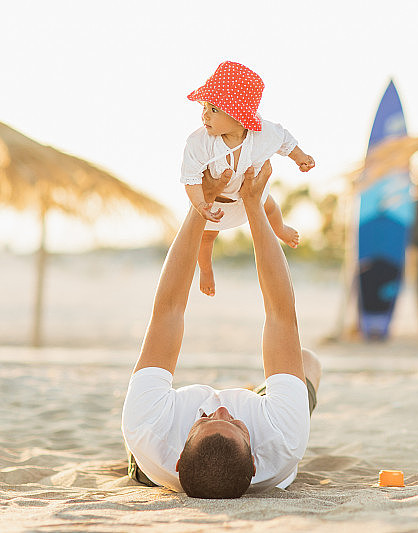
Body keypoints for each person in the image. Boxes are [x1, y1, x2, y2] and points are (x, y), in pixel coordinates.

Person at [122, 161, 322, 498]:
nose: (222, 409)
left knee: (137, 417)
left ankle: (248, 399)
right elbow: (281, 315)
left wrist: (201, 205)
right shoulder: (282, 438)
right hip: (271, 430)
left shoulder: (149, 429)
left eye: (205, 420)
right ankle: (257, 395)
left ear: (178, 457)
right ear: (255, 462)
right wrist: (254, 206)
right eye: (235, 422)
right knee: (308, 360)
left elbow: (168, 311)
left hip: (152, 461)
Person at [181, 60, 315, 296]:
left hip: (250, 195)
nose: (205, 115)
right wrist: (201, 204)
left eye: (214, 109)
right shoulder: (200, 142)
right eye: (204, 107)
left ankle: (280, 229)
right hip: (217, 203)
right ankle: (206, 270)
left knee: (270, 207)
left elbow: (284, 140)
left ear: (238, 116)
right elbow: (191, 178)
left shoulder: (262, 134)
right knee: (206, 237)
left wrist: (301, 157)